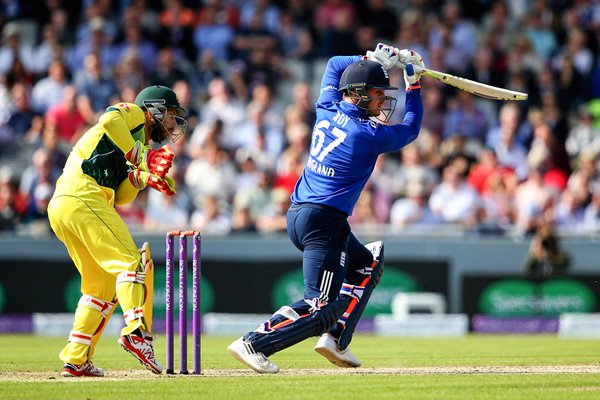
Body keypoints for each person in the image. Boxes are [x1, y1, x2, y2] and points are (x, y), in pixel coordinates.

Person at [227, 43, 424, 373]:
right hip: (324, 222)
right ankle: (254, 342)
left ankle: (335, 340)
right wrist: (414, 85)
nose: (382, 100)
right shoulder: (367, 134)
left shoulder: (327, 106)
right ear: (358, 94)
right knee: (320, 306)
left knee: (367, 264)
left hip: (302, 213)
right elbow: (411, 128)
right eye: (377, 93)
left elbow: (334, 63)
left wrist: (368, 58)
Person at [47, 85, 188, 377]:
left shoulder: (139, 146)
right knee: (133, 262)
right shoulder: (134, 114)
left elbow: (122, 196)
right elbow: (108, 119)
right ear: (156, 109)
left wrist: (142, 178)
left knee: (100, 288)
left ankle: (76, 358)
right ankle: (137, 331)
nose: (173, 124)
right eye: (171, 115)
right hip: (82, 195)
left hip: (66, 204)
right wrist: (141, 158)